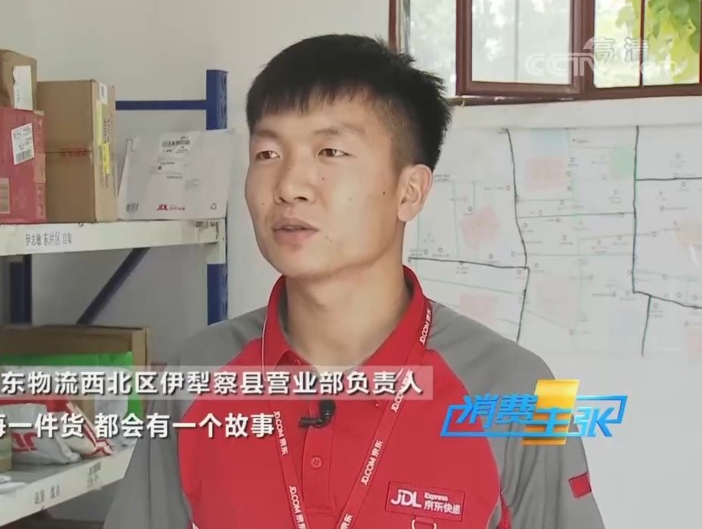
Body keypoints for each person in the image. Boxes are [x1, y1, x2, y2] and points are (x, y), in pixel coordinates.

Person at [104, 34, 604, 529]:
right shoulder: (196, 376)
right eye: (267, 154)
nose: (289, 186)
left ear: (410, 192)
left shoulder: (523, 391)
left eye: (330, 152)